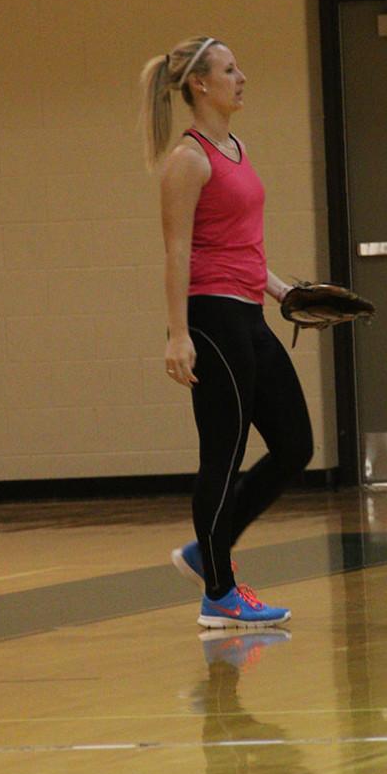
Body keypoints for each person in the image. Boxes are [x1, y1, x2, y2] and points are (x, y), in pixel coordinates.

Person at [140, 35, 313, 629]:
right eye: (230, 69)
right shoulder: (187, 160)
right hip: (211, 318)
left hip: (248, 311)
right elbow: (177, 251)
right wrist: (177, 333)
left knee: (295, 445)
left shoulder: (236, 147)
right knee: (224, 453)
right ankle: (218, 592)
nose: (242, 77)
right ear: (200, 84)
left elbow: (239, 245)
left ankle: (203, 551)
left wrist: (284, 290)